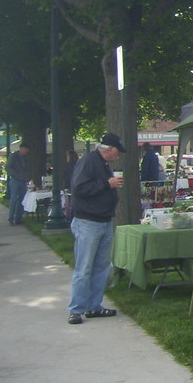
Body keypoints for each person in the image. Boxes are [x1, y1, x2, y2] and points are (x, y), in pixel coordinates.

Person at [68, 133, 126, 325]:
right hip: (88, 222)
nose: (118, 155)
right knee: (84, 267)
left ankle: (94, 306)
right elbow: (79, 188)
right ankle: (76, 310)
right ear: (109, 149)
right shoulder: (88, 162)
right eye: (117, 151)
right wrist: (106, 184)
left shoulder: (104, 164)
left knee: (101, 266)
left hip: (104, 220)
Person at [6, 143, 30, 225]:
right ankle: (10, 218)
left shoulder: (26, 157)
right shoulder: (13, 156)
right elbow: (8, 167)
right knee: (14, 199)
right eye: (25, 150)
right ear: (21, 149)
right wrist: (14, 174)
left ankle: (18, 218)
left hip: (23, 180)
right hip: (15, 180)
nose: (26, 152)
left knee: (22, 200)